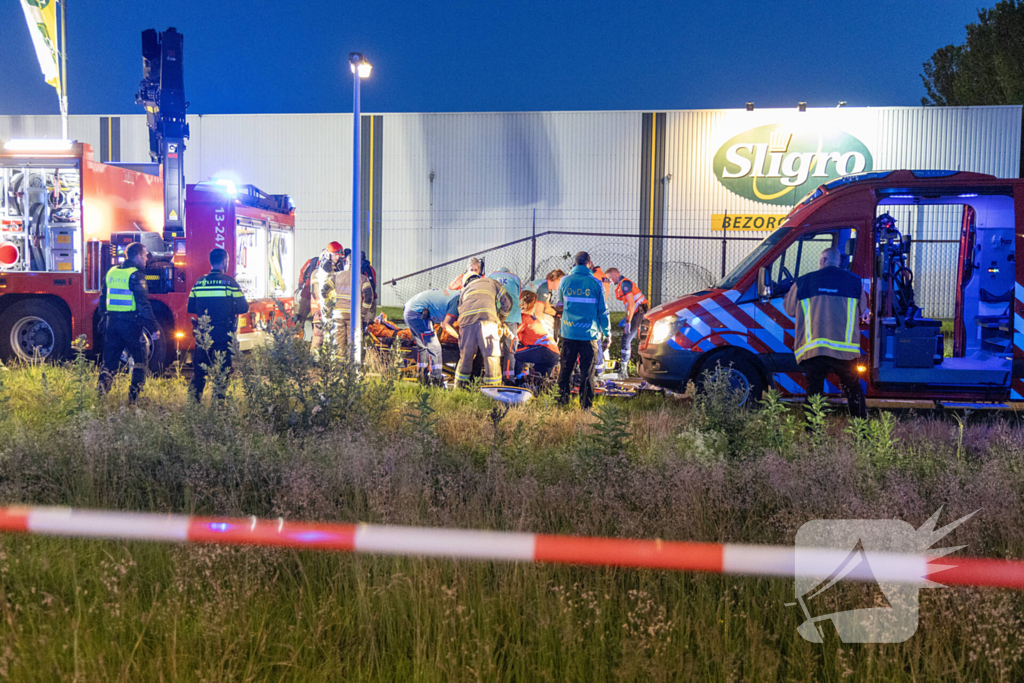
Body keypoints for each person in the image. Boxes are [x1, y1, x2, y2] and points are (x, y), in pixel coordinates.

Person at [783, 247, 868, 419]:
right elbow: (862, 309)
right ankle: (862, 430)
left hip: (814, 349)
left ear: (822, 261)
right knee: (853, 389)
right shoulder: (855, 282)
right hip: (845, 351)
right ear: (840, 262)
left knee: (814, 391)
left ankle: (813, 431)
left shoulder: (803, 282)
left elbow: (789, 309)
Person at [96, 242, 160, 404]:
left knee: (109, 362)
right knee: (140, 360)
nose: (146, 259)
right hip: (130, 324)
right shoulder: (135, 275)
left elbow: (102, 300)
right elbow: (143, 305)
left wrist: (103, 319)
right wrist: (153, 328)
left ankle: (100, 396)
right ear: (138, 256)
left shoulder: (111, 272)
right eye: (145, 255)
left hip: (112, 323)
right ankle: (134, 399)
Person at [187, 248, 249, 401]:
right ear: (224, 262)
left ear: (211, 262)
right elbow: (244, 308)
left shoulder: (199, 283)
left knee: (200, 371)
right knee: (222, 370)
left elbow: (190, 308)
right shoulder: (230, 283)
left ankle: (194, 403)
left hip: (203, 333)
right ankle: (218, 404)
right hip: (223, 333)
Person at [554, 252, 610, 409]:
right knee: (587, 373)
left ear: (575, 262)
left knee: (565, 371)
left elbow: (561, 303)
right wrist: (607, 333)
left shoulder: (564, 281)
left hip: (569, 333)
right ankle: (585, 407)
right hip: (589, 335)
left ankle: (561, 404)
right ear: (589, 264)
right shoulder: (596, 283)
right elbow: (603, 311)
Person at [454, 272, 512, 389]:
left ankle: (460, 389)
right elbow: (508, 303)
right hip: (488, 321)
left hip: (467, 323)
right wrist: (499, 318)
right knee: (491, 356)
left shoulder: (464, 291)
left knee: (466, 357)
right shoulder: (491, 282)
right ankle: (493, 390)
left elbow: (460, 310)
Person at [403, 288, 461, 384]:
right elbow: (445, 325)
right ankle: (436, 380)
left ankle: (422, 378)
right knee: (435, 347)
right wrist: (461, 338)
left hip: (411, 310)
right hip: (417, 313)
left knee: (423, 347)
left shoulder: (456, 295)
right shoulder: (457, 301)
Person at [324, 258, 374, 359]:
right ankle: (353, 368)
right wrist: (363, 312)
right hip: (354, 315)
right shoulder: (362, 278)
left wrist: (330, 306)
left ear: (346, 263)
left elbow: (323, 290)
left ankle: (338, 369)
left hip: (338, 314)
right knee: (354, 343)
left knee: (338, 342)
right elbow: (368, 296)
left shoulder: (336, 276)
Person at [606, 268, 649, 379]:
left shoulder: (625, 284)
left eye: (610, 278)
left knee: (626, 339)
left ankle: (624, 371)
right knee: (631, 339)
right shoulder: (622, 285)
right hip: (638, 313)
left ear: (615, 275)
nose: (609, 281)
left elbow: (631, 303)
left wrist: (628, 321)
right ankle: (628, 368)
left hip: (639, 313)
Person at [294, 241, 342, 331]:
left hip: (318, 296)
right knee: (300, 317)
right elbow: (303, 271)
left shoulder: (334, 266)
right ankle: (298, 337)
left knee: (317, 321)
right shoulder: (312, 262)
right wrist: (300, 283)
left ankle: (312, 337)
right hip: (308, 293)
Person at [514, 291, 560, 381]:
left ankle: (516, 379)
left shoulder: (524, 318)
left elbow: (512, 334)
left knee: (514, 354)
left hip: (544, 349)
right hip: (554, 353)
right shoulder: (533, 319)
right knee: (538, 380)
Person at [486, 266, 522, 381]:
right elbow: (519, 296)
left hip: (494, 316)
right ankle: (508, 378)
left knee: (492, 347)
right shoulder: (515, 278)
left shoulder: (491, 275)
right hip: (511, 316)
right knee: (509, 350)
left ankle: (491, 377)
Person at [310, 245, 344, 355]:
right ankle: (314, 359)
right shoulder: (318, 273)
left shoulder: (337, 271)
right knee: (318, 335)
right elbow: (317, 292)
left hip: (332, 308)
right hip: (319, 309)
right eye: (335, 255)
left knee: (332, 335)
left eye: (338, 256)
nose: (337, 258)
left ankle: (328, 359)